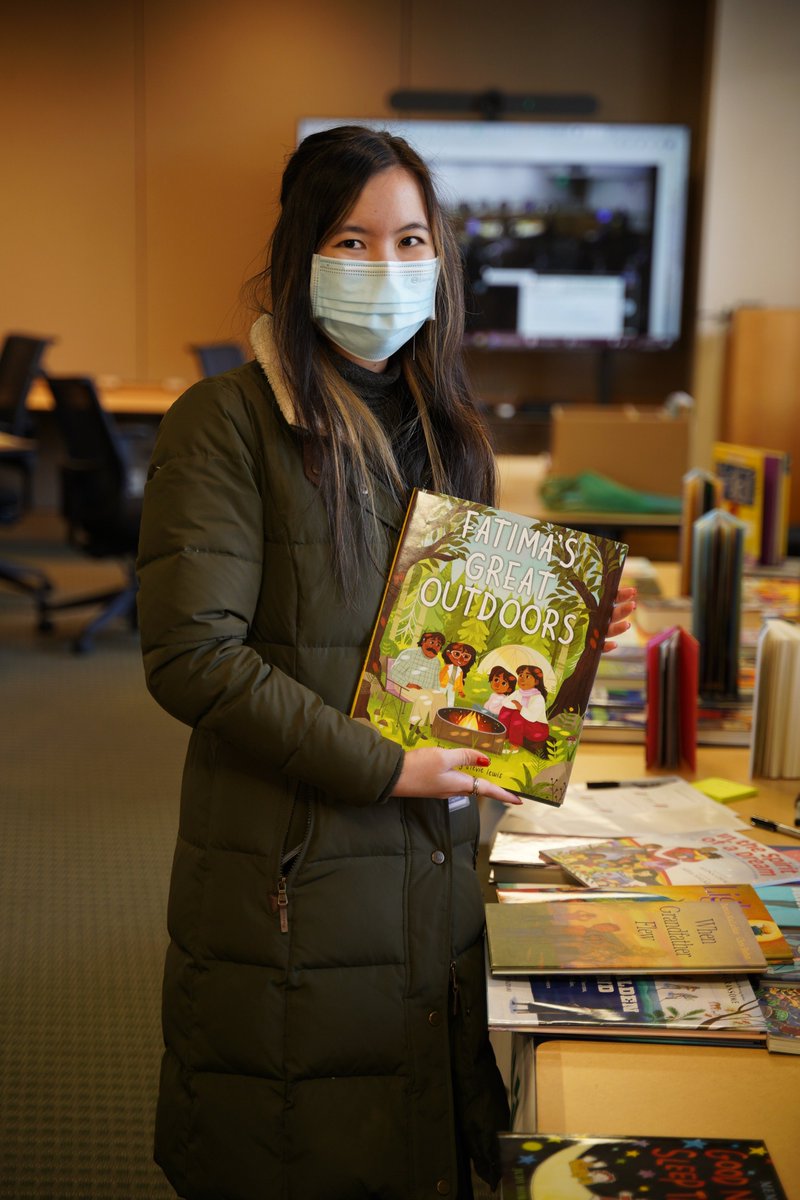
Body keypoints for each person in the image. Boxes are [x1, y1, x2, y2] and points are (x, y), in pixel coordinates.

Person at [137, 124, 635, 1200]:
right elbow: (192, 657)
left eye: (409, 238)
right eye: (351, 241)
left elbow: (459, 658)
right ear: (298, 256)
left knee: (408, 1129)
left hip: (431, 861)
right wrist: (383, 766)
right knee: (298, 1142)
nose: (386, 266)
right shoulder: (223, 423)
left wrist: (568, 625)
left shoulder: (445, 424)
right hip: (299, 868)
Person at [387, 629, 446, 730]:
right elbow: (394, 672)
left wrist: (437, 692)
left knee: (440, 697)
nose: (434, 647)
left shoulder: (436, 662)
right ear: (423, 641)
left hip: (424, 689)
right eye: (432, 642)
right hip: (404, 686)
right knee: (426, 696)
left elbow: (435, 681)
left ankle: (435, 726)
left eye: (438, 645)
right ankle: (415, 726)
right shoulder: (410, 654)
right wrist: (408, 683)